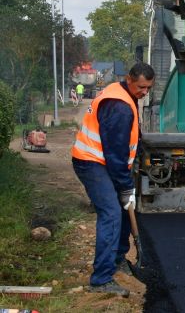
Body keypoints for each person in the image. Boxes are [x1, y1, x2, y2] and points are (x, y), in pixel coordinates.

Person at [71, 62, 155, 296]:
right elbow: (115, 152)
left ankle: (118, 259)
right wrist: (125, 185)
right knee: (111, 213)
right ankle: (101, 280)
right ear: (129, 79)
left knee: (126, 206)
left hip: (107, 162)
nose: (145, 92)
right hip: (92, 162)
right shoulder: (119, 106)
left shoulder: (126, 95)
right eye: (141, 87)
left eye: (149, 88)